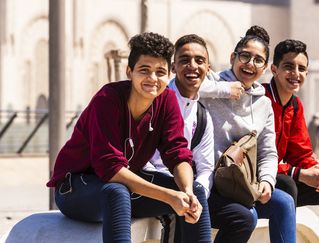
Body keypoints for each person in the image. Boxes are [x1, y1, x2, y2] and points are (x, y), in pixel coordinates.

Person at [46, 32, 211, 243]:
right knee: (117, 192)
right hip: (75, 189)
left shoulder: (167, 100)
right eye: (144, 70)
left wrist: (186, 192)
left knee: (195, 190)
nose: (153, 78)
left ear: (169, 75)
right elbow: (110, 168)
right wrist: (170, 197)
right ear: (129, 71)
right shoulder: (107, 100)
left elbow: (177, 153)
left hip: (122, 186)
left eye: (160, 72)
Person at [200, 26, 296, 243]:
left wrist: (267, 181)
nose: (251, 64)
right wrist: (224, 90)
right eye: (245, 56)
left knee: (284, 201)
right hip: (210, 182)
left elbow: (268, 151)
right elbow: (179, 88)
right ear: (233, 57)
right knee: (247, 216)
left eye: (258, 60)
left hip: (242, 183)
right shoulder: (211, 86)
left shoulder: (263, 104)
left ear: (265, 68)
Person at [263, 39, 319, 243]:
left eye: (301, 68)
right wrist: (300, 173)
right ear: (274, 69)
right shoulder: (260, 100)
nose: (296, 73)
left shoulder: (295, 105)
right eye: (288, 67)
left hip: (283, 176)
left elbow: (301, 153)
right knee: (287, 184)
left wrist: (318, 172)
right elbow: (257, 158)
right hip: (257, 181)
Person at [143, 34, 214, 242]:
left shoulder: (202, 115)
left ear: (208, 69)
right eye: (184, 60)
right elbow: (141, 158)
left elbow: (206, 167)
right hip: (150, 180)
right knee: (186, 195)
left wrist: (197, 190)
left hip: (184, 183)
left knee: (241, 216)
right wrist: (185, 191)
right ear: (173, 67)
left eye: (199, 61)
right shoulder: (154, 100)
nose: (192, 66)